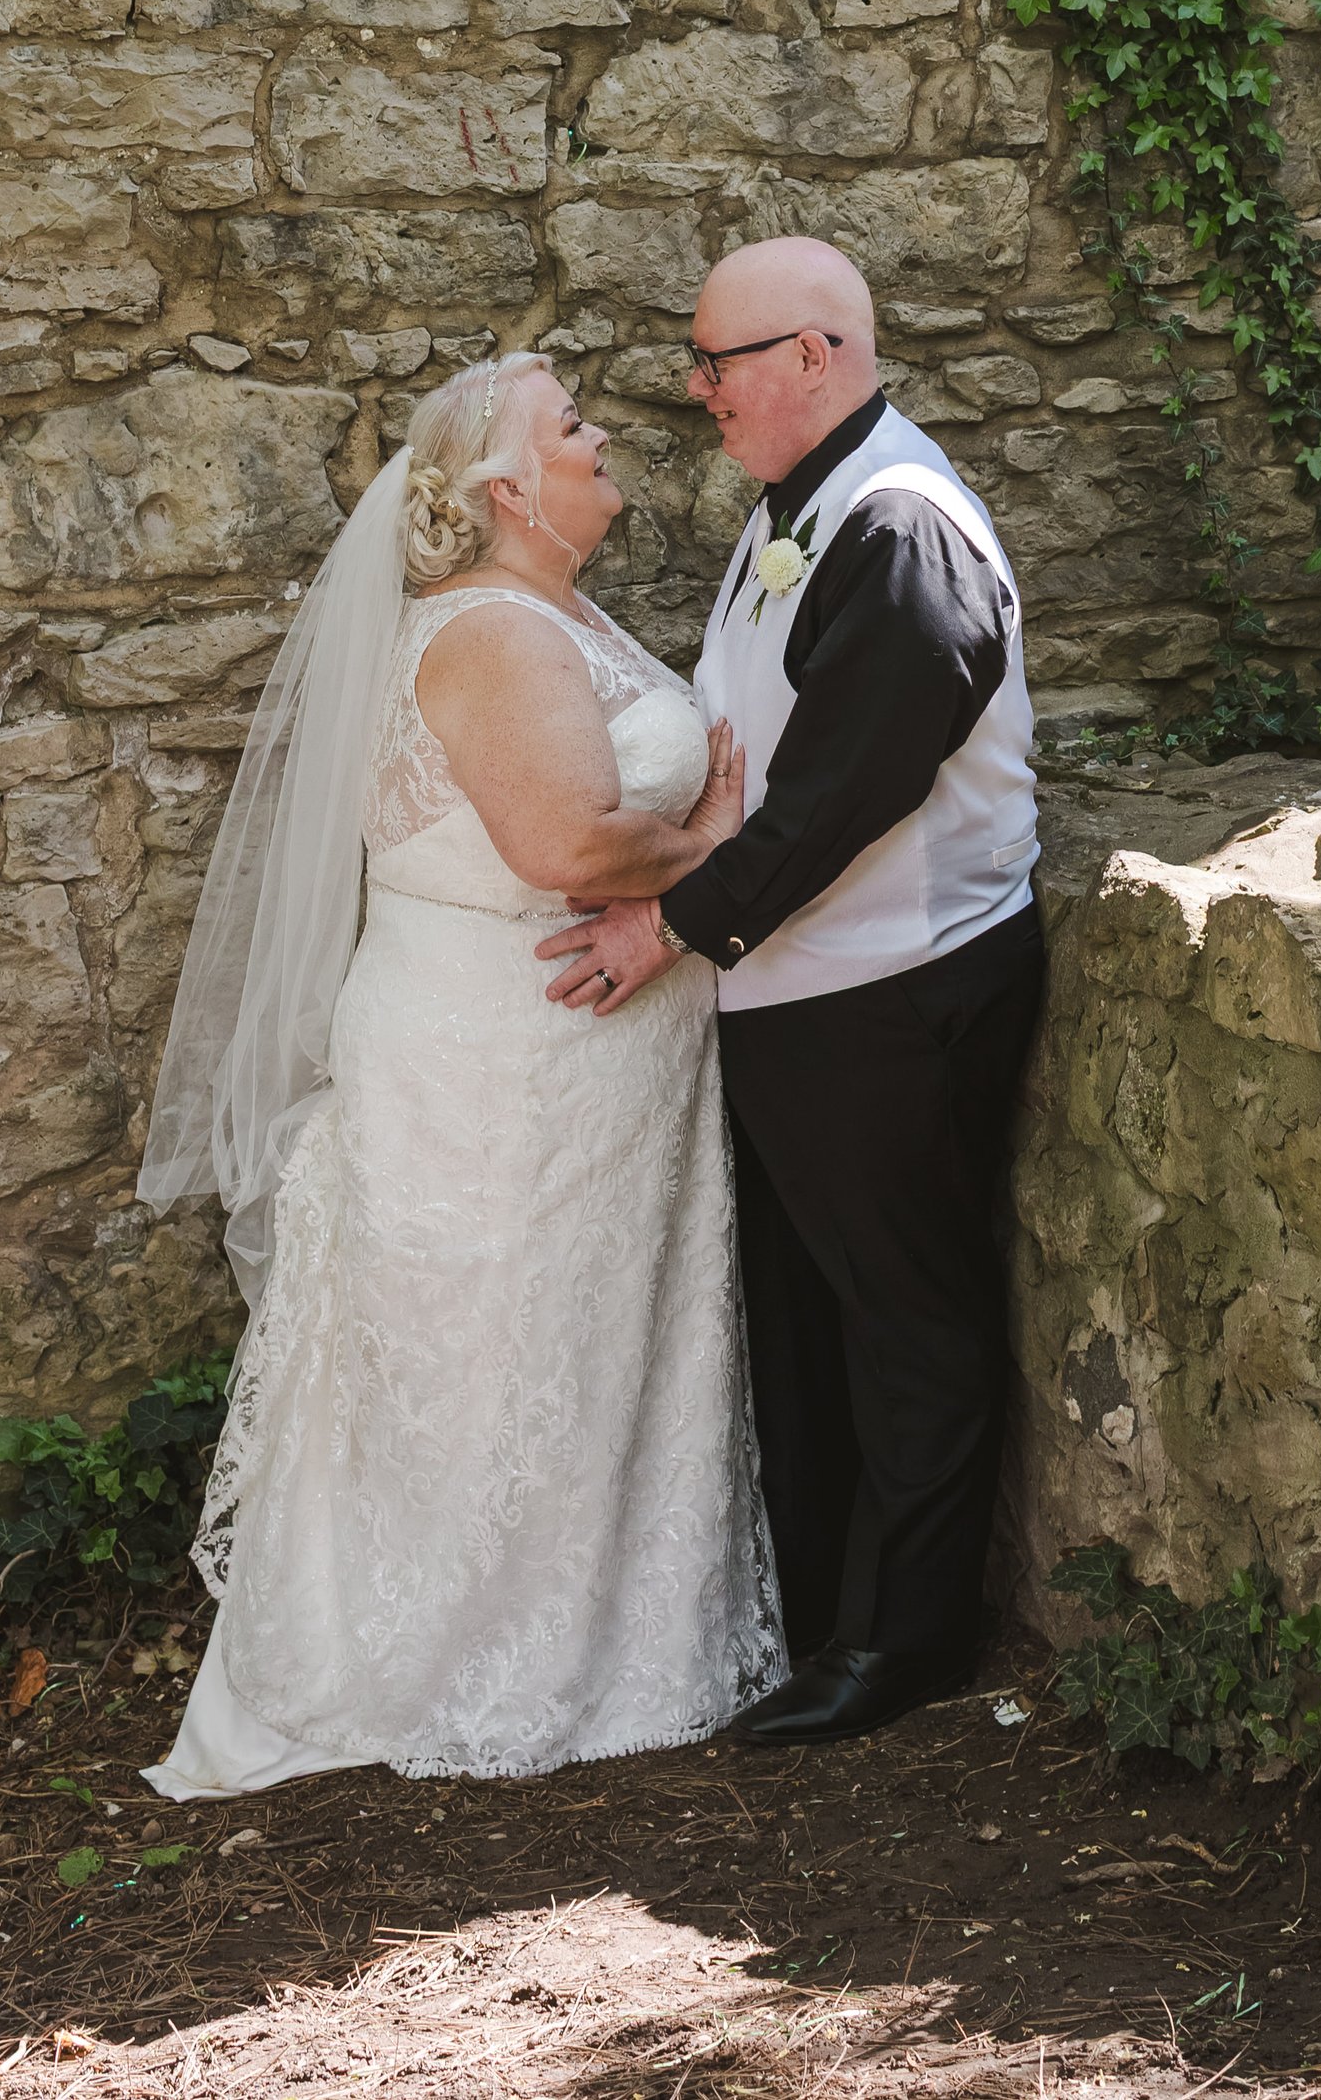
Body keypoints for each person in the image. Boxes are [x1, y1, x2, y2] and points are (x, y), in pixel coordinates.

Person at [136, 353, 782, 1796]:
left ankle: (608, 1640)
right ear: (506, 488)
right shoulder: (491, 631)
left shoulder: (557, 610)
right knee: (491, 1358)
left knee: (569, 1348)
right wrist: (736, 849)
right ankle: (471, 1659)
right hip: (501, 1066)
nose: (603, 432)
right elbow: (568, 847)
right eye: (571, 426)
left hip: (582, 1066)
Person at [544, 238, 1043, 1746]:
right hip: (810, 991)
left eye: (719, 360)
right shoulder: (804, 512)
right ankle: (825, 1613)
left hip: (897, 987)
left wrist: (669, 924)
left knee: (905, 1319)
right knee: (809, 1316)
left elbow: (845, 797)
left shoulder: (902, 529)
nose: (698, 390)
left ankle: (904, 1646)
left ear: (815, 356)